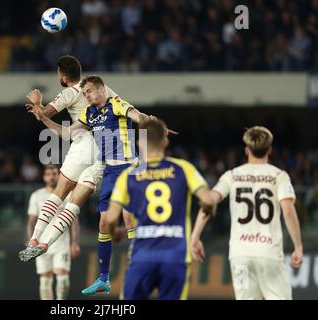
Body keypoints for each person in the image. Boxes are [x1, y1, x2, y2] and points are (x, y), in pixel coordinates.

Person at [23, 75, 158, 296]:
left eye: (88, 92)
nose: (86, 96)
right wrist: (43, 118)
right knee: (104, 224)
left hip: (129, 168)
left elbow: (136, 115)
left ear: (101, 89)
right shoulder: (90, 114)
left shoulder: (116, 104)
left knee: (128, 217)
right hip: (109, 171)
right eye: (84, 93)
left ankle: (141, 270)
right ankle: (104, 279)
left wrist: (146, 119)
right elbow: (66, 133)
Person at [105, 118, 216, 299]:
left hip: (142, 256)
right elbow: (209, 200)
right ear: (165, 141)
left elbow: (110, 219)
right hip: (175, 256)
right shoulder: (183, 168)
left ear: (139, 142)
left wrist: (114, 232)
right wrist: (208, 210)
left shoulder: (128, 175)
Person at [191, 126, 303, 300]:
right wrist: (298, 247)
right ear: (270, 150)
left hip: (240, 254)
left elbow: (209, 200)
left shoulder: (232, 175)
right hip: (269, 252)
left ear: (246, 150)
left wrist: (195, 237)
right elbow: (288, 212)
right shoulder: (279, 176)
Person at [27, 165, 80, 300]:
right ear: (44, 177)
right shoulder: (37, 195)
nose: (51, 177)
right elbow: (31, 222)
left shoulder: (68, 195)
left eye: (55, 173)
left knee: (62, 278)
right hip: (40, 244)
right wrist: (30, 242)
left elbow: (74, 222)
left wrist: (75, 243)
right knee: (45, 278)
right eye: (48, 174)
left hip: (61, 244)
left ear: (59, 175)